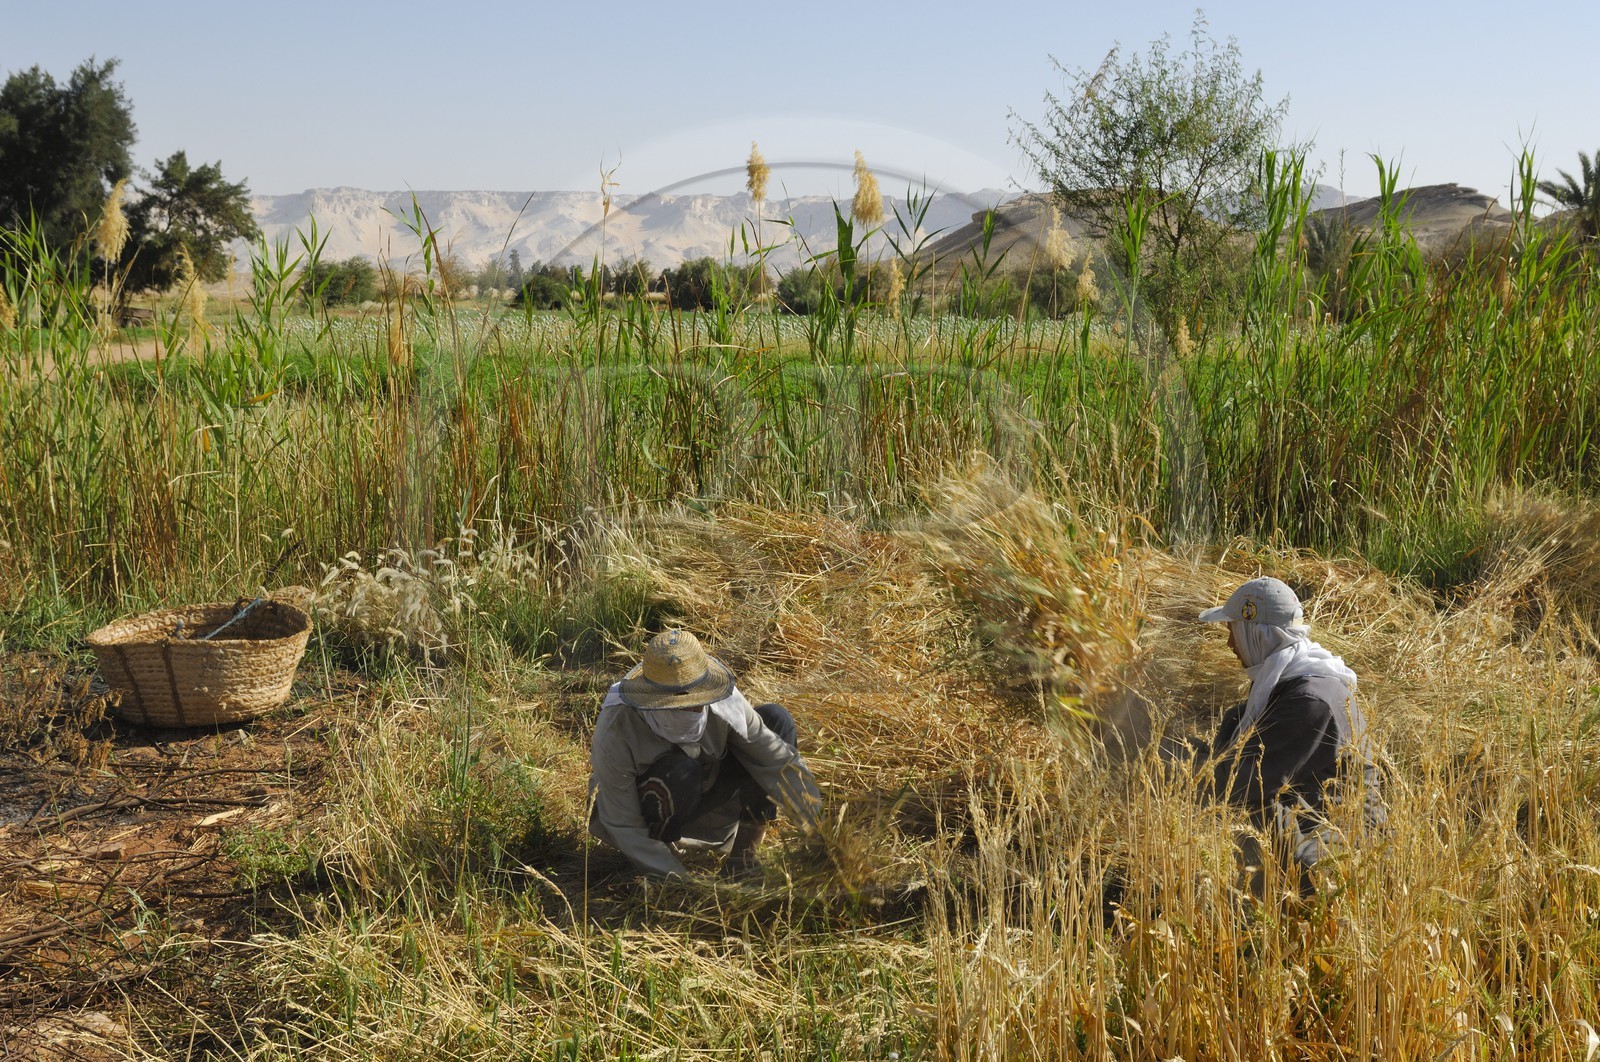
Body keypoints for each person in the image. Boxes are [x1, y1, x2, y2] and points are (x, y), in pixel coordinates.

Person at [1191, 577, 1386, 891]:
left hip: (1336, 845)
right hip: (1316, 819)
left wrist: (1177, 762)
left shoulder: (1310, 701)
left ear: (1259, 635)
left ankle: (1269, 913)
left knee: (1248, 809)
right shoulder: (1295, 682)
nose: (1229, 643)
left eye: (1233, 631)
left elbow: (1239, 785)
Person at [588, 628, 822, 880]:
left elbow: (776, 760)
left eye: (698, 699)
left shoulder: (723, 700)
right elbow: (622, 821)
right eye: (680, 704)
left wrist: (821, 834)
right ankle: (663, 861)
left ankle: (742, 860)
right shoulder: (619, 726)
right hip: (651, 813)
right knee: (679, 770)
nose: (694, 708)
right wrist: (680, 881)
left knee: (776, 720)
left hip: (709, 795)